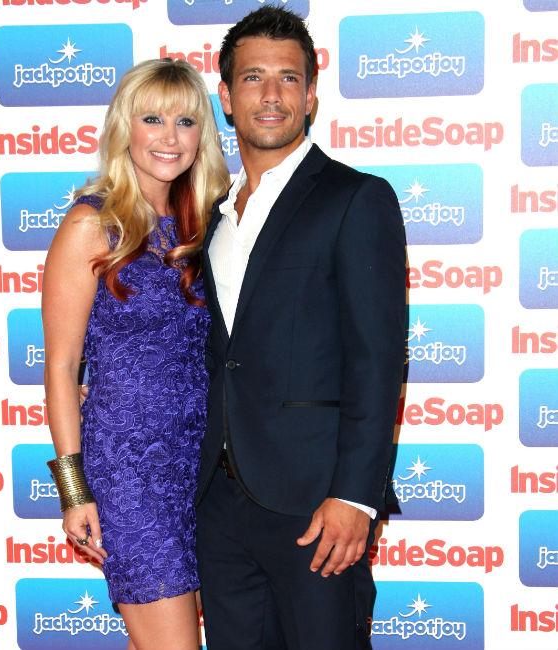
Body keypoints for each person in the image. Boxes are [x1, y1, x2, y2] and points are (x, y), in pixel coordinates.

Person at [195, 7, 407, 650]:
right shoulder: (210, 215)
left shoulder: (355, 198)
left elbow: (377, 361)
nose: (271, 95)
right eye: (252, 77)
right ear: (226, 96)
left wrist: (356, 497)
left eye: (288, 78)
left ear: (311, 95)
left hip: (317, 507)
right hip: (218, 504)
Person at [42, 58, 229, 650]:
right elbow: (62, 367)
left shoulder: (208, 227)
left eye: (185, 121)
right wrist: (75, 492)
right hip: (130, 471)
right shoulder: (92, 225)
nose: (170, 137)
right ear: (126, 128)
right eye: (153, 119)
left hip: (200, 465)